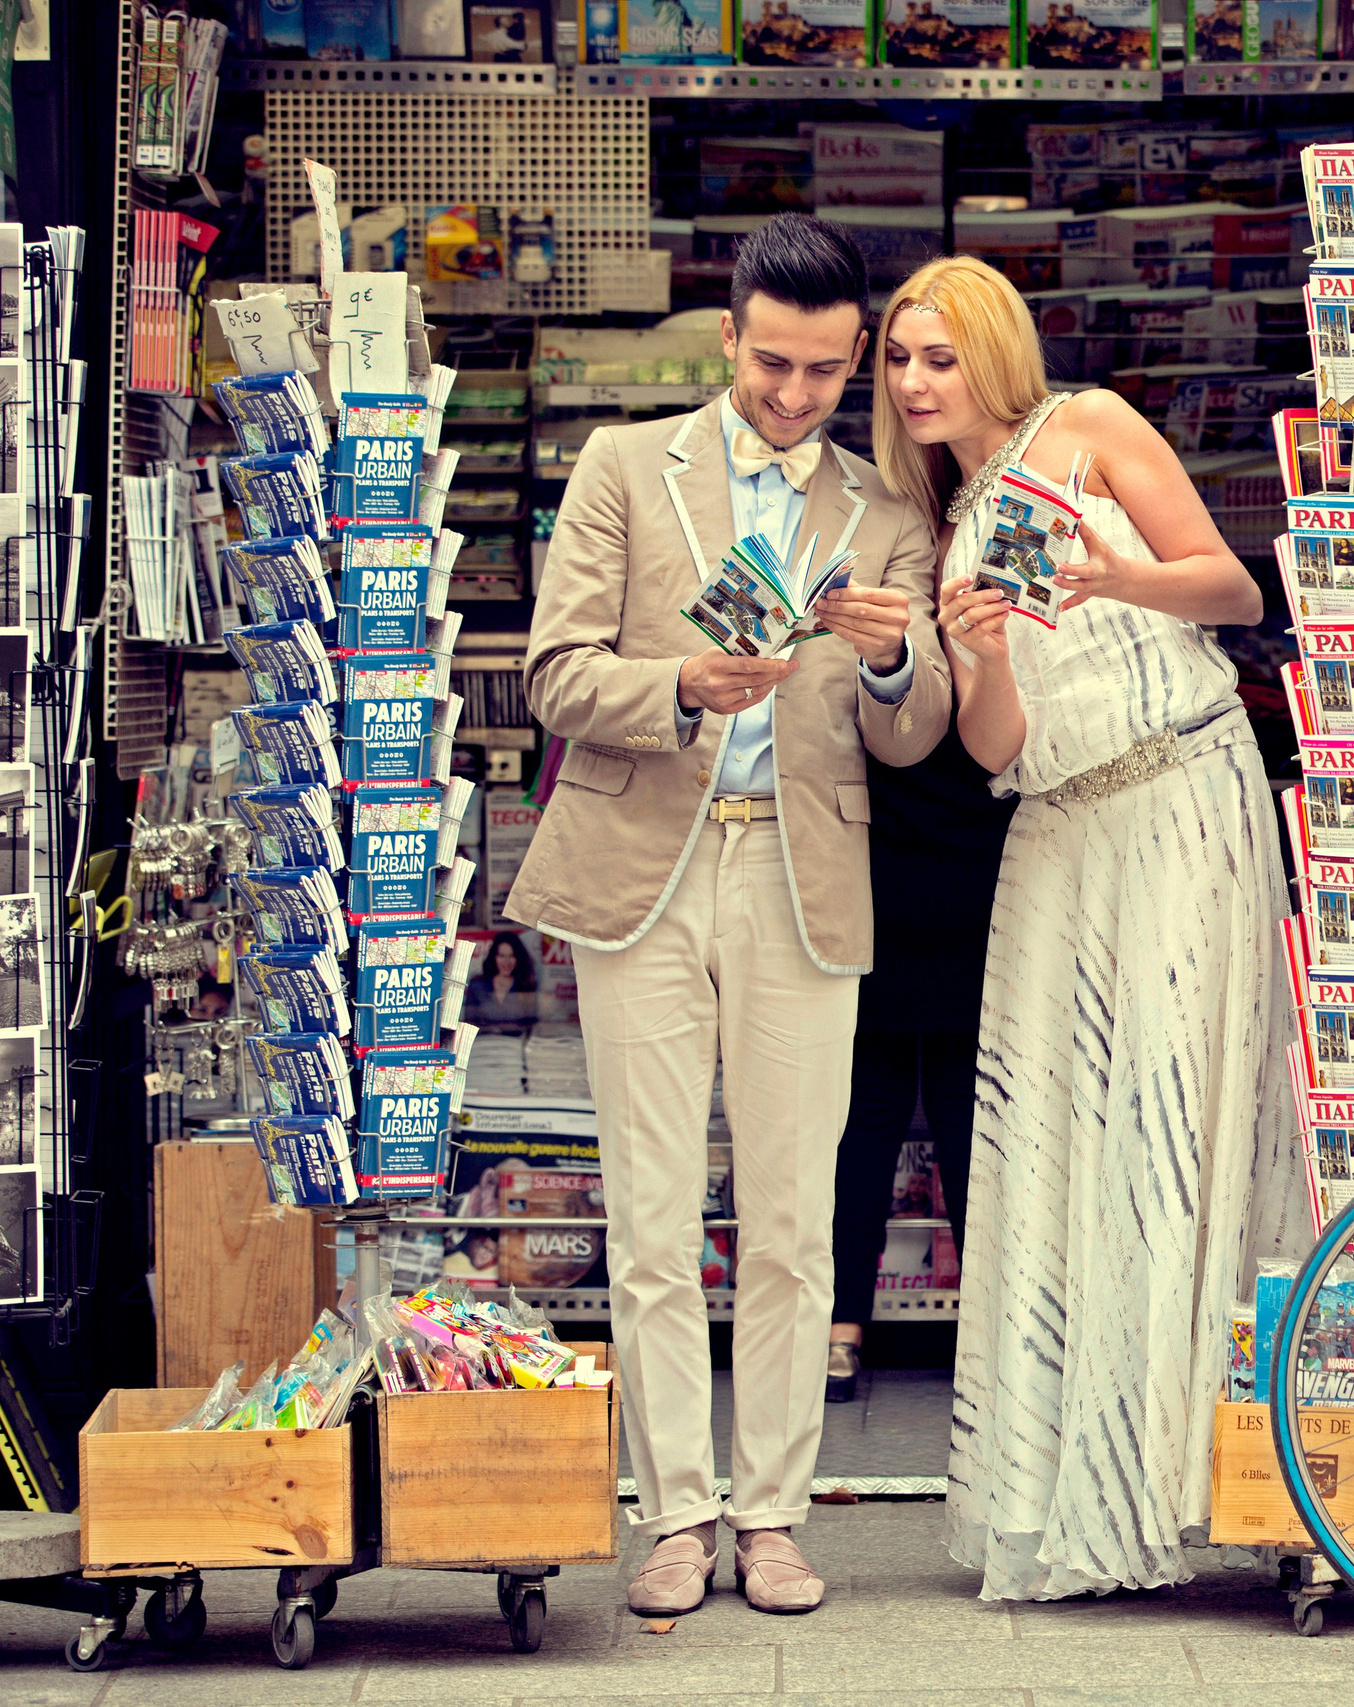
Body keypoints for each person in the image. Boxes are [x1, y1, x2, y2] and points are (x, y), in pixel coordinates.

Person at [507, 214, 950, 1618]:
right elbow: (553, 674)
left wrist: (890, 664)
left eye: (826, 372)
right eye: (773, 363)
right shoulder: (628, 467)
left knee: (793, 1218)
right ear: (728, 335)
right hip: (644, 868)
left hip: (799, 879)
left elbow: (917, 729)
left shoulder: (886, 509)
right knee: (647, 1212)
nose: (795, 395)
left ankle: (772, 1512)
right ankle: (675, 1512)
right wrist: (682, 686)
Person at [869, 255, 1306, 1601]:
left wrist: (1117, 572)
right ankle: (1087, 1476)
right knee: (1066, 1133)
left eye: (939, 356)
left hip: (1177, 791)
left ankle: (1206, 1470)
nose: (915, 381)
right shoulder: (949, 528)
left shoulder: (1094, 429)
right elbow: (996, 747)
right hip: (1058, 828)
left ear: (995, 351)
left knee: (1175, 1112)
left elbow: (1234, 591)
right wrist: (979, 649)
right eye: (899, 359)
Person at [825, 723, 1014, 1402]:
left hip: (877, 865)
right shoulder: (993, 617)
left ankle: (840, 1331)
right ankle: (989, 1342)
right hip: (974, 870)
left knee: (865, 1127)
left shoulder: (855, 617)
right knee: (969, 1127)